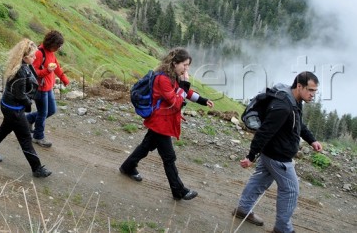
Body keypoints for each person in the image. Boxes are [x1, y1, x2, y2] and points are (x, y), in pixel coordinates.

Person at [233, 72, 322, 233]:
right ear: (299, 86)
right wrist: (251, 156)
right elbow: (264, 132)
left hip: (271, 153)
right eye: (310, 90)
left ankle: (243, 209)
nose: (313, 95)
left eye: (315, 91)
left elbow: (298, 124)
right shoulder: (283, 106)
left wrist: (312, 140)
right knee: (290, 190)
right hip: (278, 157)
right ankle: (283, 228)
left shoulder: (294, 100)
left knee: (259, 181)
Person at [119, 47, 213, 201]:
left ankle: (127, 167)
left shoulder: (173, 76)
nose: (186, 69)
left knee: (145, 147)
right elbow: (176, 102)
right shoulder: (162, 79)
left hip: (163, 121)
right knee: (169, 158)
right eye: (185, 65)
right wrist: (184, 84)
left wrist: (203, 100)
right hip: (161, 122)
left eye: (188, 66)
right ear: (175, 63)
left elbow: (185, 93)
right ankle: (179, 191)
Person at [0, 38, 52, 178]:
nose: (34, 58)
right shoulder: (21, 71)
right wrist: (28, 104)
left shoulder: (22, 65)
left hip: (10, 106)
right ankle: (37, 168)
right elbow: (20, 94)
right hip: (14, 109)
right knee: (25, 138)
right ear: (25, 57)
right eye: (32, 56)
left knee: (5, 129)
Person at [26, 30, 70, 148]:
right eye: (58, 45)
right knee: (43, 112)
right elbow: (33, 72)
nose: (59, 48)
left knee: (51, 110)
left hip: (48, 87)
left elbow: (57, 67)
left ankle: (28, 119)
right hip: (39, 89)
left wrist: (64, 79)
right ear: (51, 43)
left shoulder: (51, 53)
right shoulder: (40, 53)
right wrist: (47, 71)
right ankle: (38, 137)